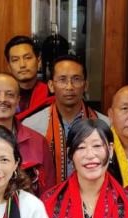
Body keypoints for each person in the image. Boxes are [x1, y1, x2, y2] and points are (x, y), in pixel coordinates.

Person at [22, 55, 111, 186]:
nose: (69, 87)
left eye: (76, 79)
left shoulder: (105, 124)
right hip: (47, 202)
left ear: (85, 85)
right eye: (62, 80)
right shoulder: (31, 126)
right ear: (51, 86)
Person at [4, 35, 53, 121]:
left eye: (27, 58)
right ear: (9, 67)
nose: (22, 65)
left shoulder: (51, 93)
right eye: (15, 60)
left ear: (39, 62)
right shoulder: (0, 96)